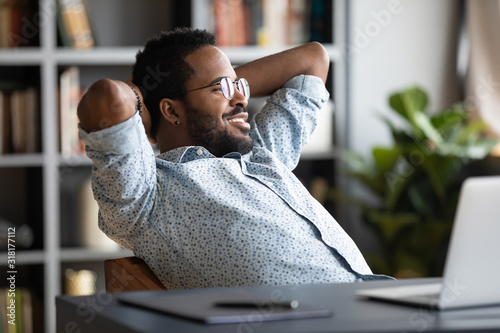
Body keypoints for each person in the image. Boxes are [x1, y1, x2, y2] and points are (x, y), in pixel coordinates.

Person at [78, 28, 391, 289]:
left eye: (239, 86)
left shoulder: (261, 152)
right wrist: (153, 96)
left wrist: (220, 86)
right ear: (171, 110)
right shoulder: (149, 196)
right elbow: (107, 97)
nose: (243, 98)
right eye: (223, 88)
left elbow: (312, 59)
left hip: (380, 302)